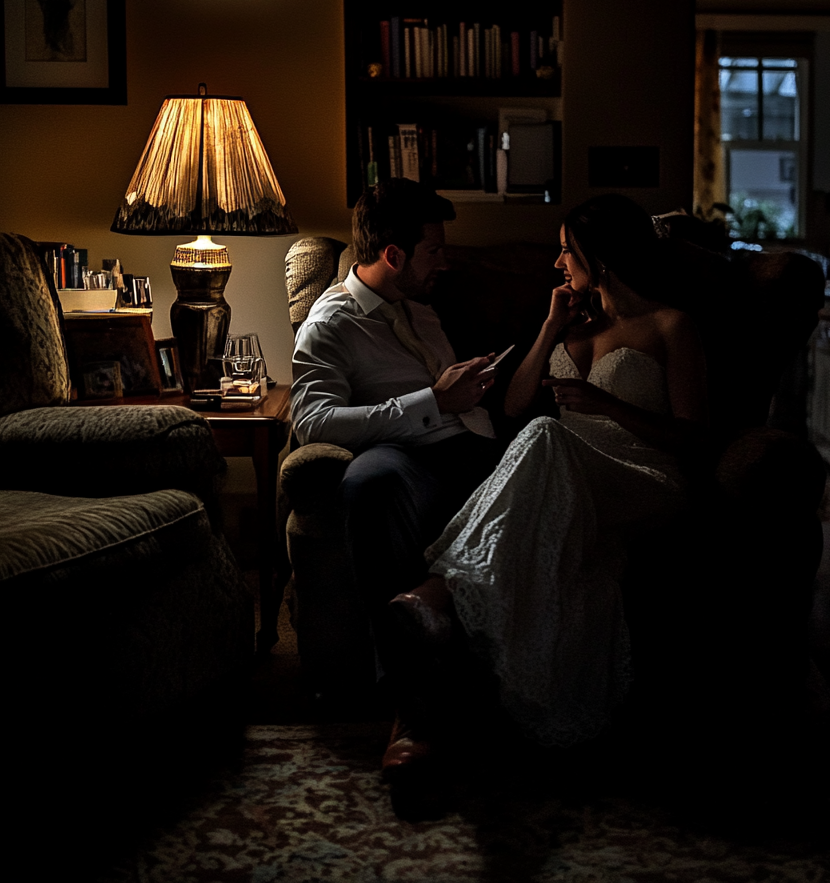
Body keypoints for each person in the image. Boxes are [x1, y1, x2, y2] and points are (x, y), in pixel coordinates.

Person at [393, 194, 710, 748]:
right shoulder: (571, 326)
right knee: (540, 434)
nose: (558, 264)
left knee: (544, 434)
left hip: (643, 478)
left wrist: (608, 404)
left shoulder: (670, 325)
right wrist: (549, 326)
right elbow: (515, 406)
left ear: (600, 258)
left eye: (567, 252)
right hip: (569, 475)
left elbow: (694, 439)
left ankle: (440, 593)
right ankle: (456, 674)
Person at [290, 177, 502, 777]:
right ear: (394, 256)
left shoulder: (422, 310)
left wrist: (472, 389)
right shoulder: (330, 323)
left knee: (541, 457)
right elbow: (313, 422)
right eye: (435, 250)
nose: (446, 260)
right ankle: (410, 706)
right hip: (404, 455)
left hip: (472, 443)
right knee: (368, 483)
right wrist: (429, 401)